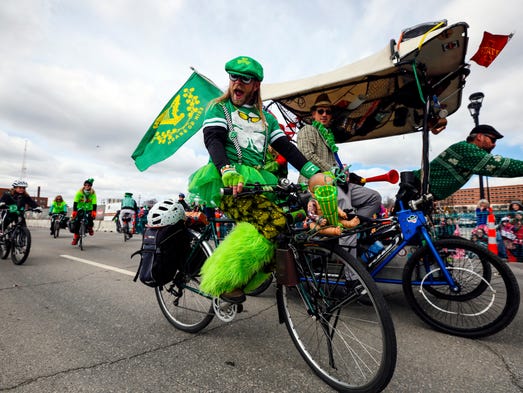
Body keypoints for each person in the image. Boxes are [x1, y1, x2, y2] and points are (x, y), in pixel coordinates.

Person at [188, 55, 320, 303]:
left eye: (244, 79)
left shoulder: (267, 119)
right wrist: (227, 170)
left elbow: (286, 147)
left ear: (255, 85)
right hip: (228, 179)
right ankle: (222, 280)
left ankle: (244, 279)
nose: (237, 83)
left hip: (259, 181)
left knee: (287, 230)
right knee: (274, 223)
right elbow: (213, 140)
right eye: (233, 77)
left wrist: (313, 172)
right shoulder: (220, 108)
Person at [296, 93, 382, 254]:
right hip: (317, 187)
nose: (324, 115)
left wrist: (348, 175)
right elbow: (307, 155)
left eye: (328, 112)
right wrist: (333, 171)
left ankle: (354, 230)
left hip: (336, 184)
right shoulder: (308, 130)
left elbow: (335, 167)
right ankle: (352, 276)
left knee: (374, 197)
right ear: (313, 114)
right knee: (347, 216)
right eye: (320, 111)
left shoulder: (328, 136)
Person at [395, 124, 523, 209]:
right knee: (405, 238)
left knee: (414, 240)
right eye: (493, 140)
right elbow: (500, 165)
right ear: (479, 136)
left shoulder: (467, 151)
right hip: (414, 192)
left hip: (419, 195)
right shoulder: (467, 149)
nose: (494, 145)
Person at [70, 178, 97, 245]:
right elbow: (75, 202)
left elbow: (94, 203)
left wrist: (94, 211)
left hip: (89, 209)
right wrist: (74, 211)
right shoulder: (79, 192)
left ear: (90, 186)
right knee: (77, 222)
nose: (87, 186)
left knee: (90, 218)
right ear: (84, 186)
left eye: (89, 185)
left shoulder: (93, 194)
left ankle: (90, 228)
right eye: (86, 185)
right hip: (80, 208)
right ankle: (76, 238)